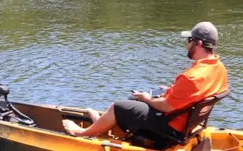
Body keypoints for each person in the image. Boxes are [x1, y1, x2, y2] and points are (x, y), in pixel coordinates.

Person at [62, 22, 229, 143]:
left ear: (198, 43)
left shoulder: (192, 76)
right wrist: (170, 90)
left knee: (119, 106)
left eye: (189, 40)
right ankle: (102, 124)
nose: (187, 44)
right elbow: (197, 92)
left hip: (171, 126)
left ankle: (83, 133)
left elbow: (167, 107)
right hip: (187, 122)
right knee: (132, 100)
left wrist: (147, 99)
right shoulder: (219, 68)